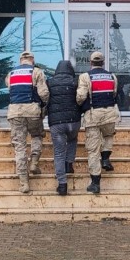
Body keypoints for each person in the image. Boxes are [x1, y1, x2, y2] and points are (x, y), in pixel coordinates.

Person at [76, 50, 119, 194]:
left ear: (90, 62)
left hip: (93, 115)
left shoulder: (85, 76)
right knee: (108, 135)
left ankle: (95, 182)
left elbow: (81, 96)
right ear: (103, 62)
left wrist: (79, 104)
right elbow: (114, 93)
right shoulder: (112, 76)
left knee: (93, 150)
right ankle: (106, 158)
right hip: (110, 113)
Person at [6, 50, 48, 193]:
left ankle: (24, 182)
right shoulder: (37, 72)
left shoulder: (11, 74)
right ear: (32, 59)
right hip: (32, 111)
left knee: (20, 147)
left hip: (14, 112)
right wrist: (44, 105)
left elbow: (10, 89)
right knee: (37, 135)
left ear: (20, 61)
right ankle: (34, 163)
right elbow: (44, 93)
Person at [46, 59, 82, 195]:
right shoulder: (75, 81)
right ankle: (69, 164)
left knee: (59, 152)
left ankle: (62, 184)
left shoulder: (50, 82)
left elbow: (45, 98)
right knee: (72, 139)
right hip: (74, 121)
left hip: (57, 123)